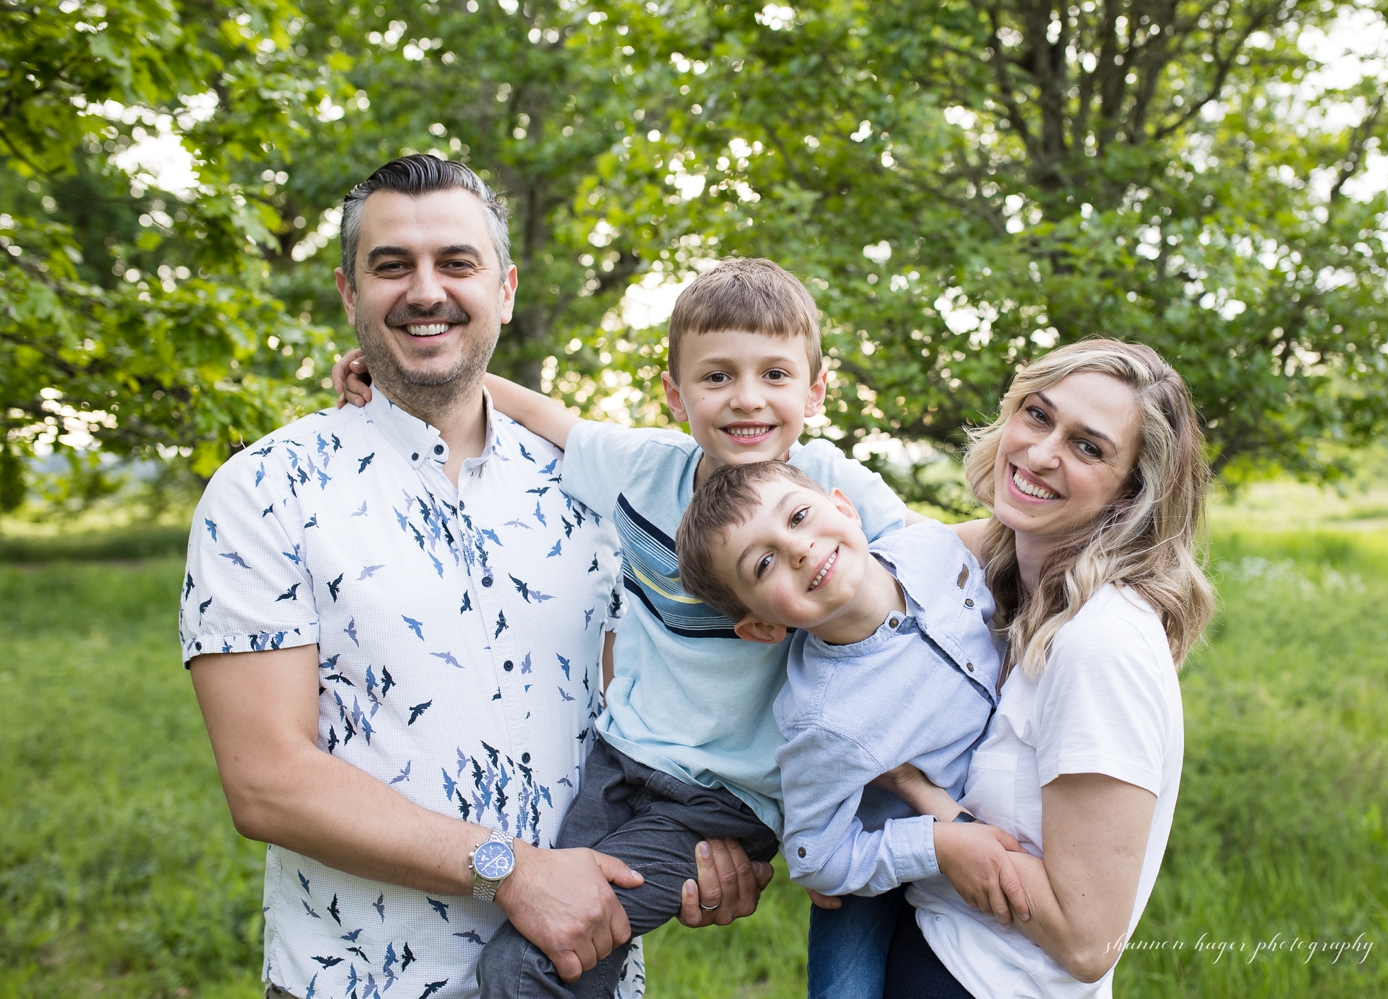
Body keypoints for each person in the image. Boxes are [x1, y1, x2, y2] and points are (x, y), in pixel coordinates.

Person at [180, 155, 765, 999]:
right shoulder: (267, 490)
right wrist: (508, 869)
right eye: (392, 266)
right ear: (350, 295)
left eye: (456, 263)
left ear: (506, 289)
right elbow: (267, 780)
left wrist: (701, 849)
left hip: (583, 976)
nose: (425, 291)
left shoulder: (591, 492)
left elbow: (643, 719)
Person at [333, 257, 915, 999]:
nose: (748, 400)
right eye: (717, 377)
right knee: (565, 929)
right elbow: (543, 416)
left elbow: (927, 565)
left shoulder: (826, 490)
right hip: (619, 759)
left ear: (816, 389)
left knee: (529, 964)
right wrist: (402, 378)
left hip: (717, 794)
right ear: (675, 394)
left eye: (775, 374)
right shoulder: (645, 470)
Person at [882, 338, 1217, 998]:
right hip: (932, 949)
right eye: (1037, 414)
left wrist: (914, 792)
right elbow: (867, 551)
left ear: (1133, 493)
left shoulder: (1102, 644)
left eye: (1088, 446)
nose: (1040, 453)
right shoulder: (1014, 570)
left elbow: (1087, 939)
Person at [675, 461, 1036, 999]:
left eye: (799, 516)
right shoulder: (826, 720)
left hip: (1002, 795)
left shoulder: (937, 553)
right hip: (895, 840)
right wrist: (935, 844)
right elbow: (813, 855)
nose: (798, 549)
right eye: (764, 562)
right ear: (764, 628)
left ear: (845, 508)